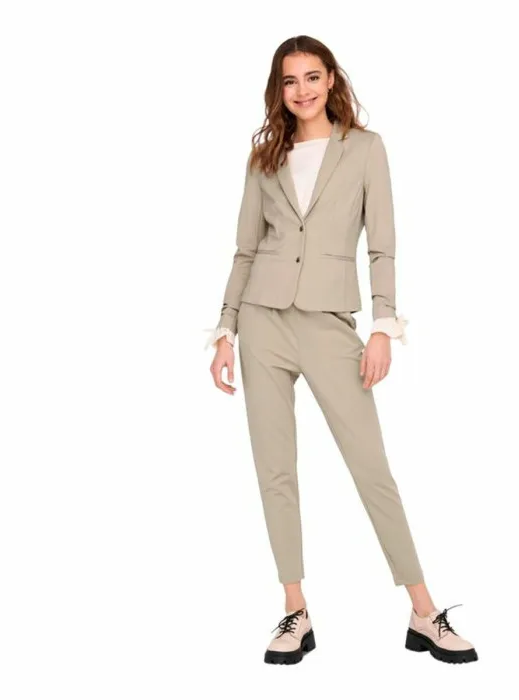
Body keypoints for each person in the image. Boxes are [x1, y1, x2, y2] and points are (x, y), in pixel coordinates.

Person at [204, 35, 478, 666]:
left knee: (370, 468)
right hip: (262, 322)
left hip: (330, 323)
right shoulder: (264, 157)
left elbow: (382, 245)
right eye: (289, 80)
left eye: (312, 77)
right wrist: (225, 331)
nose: (301, 90)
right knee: (275, 470)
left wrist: (384, 327)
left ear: (331, 79)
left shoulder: (365, 149)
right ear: (278, 89)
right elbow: (245, 250)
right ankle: (295, 610)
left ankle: (423, 610)